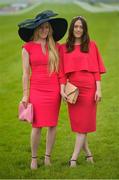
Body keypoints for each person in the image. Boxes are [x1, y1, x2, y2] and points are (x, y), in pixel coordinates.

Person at [18, 10, 67, 170]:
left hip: (53, 91)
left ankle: (47, 157)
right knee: (37, 126)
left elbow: (61, 71)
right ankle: (33, 158)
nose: (45, 30)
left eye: (47, 27)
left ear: (50, 29)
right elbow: (25, 74)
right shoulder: (27, 48)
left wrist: (62, 89)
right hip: (36, 90)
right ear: (36, 29)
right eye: (41, 27)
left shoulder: (56, 47)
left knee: (52, 125)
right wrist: (25, 95)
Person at [59, 16, 106, 167]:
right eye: (76, 27)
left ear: (84, 29)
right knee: (80, 125)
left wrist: (98, 89)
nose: (78, 29)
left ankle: (73, 158)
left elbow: (96, 71)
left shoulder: (92, 46)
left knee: (83, 126)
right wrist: (62, 89)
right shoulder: (64, 47)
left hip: (89, 88)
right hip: (73, 90)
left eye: (81, 27)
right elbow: (61, 72)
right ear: (72, 29)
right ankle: (89, 155)